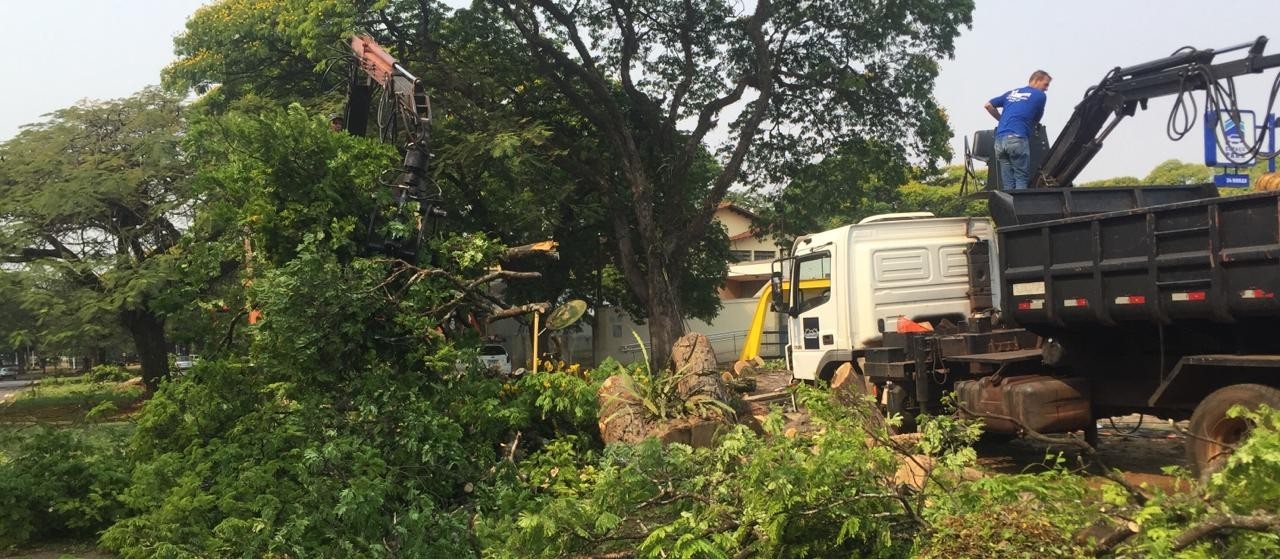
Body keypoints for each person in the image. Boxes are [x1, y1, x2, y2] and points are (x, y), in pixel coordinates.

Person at [985, 70, 1051, 189]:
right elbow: (1036, 119)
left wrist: (1001, 120)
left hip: (999, 141)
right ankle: (1021, 207)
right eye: (1045, 84)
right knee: (1021, 178)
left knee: (1008, 183)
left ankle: (1009, 207)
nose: (1046, 89)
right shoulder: (1040, 95)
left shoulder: (1011, 93)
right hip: (1017, 139)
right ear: (1036, 80)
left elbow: (988, 105)